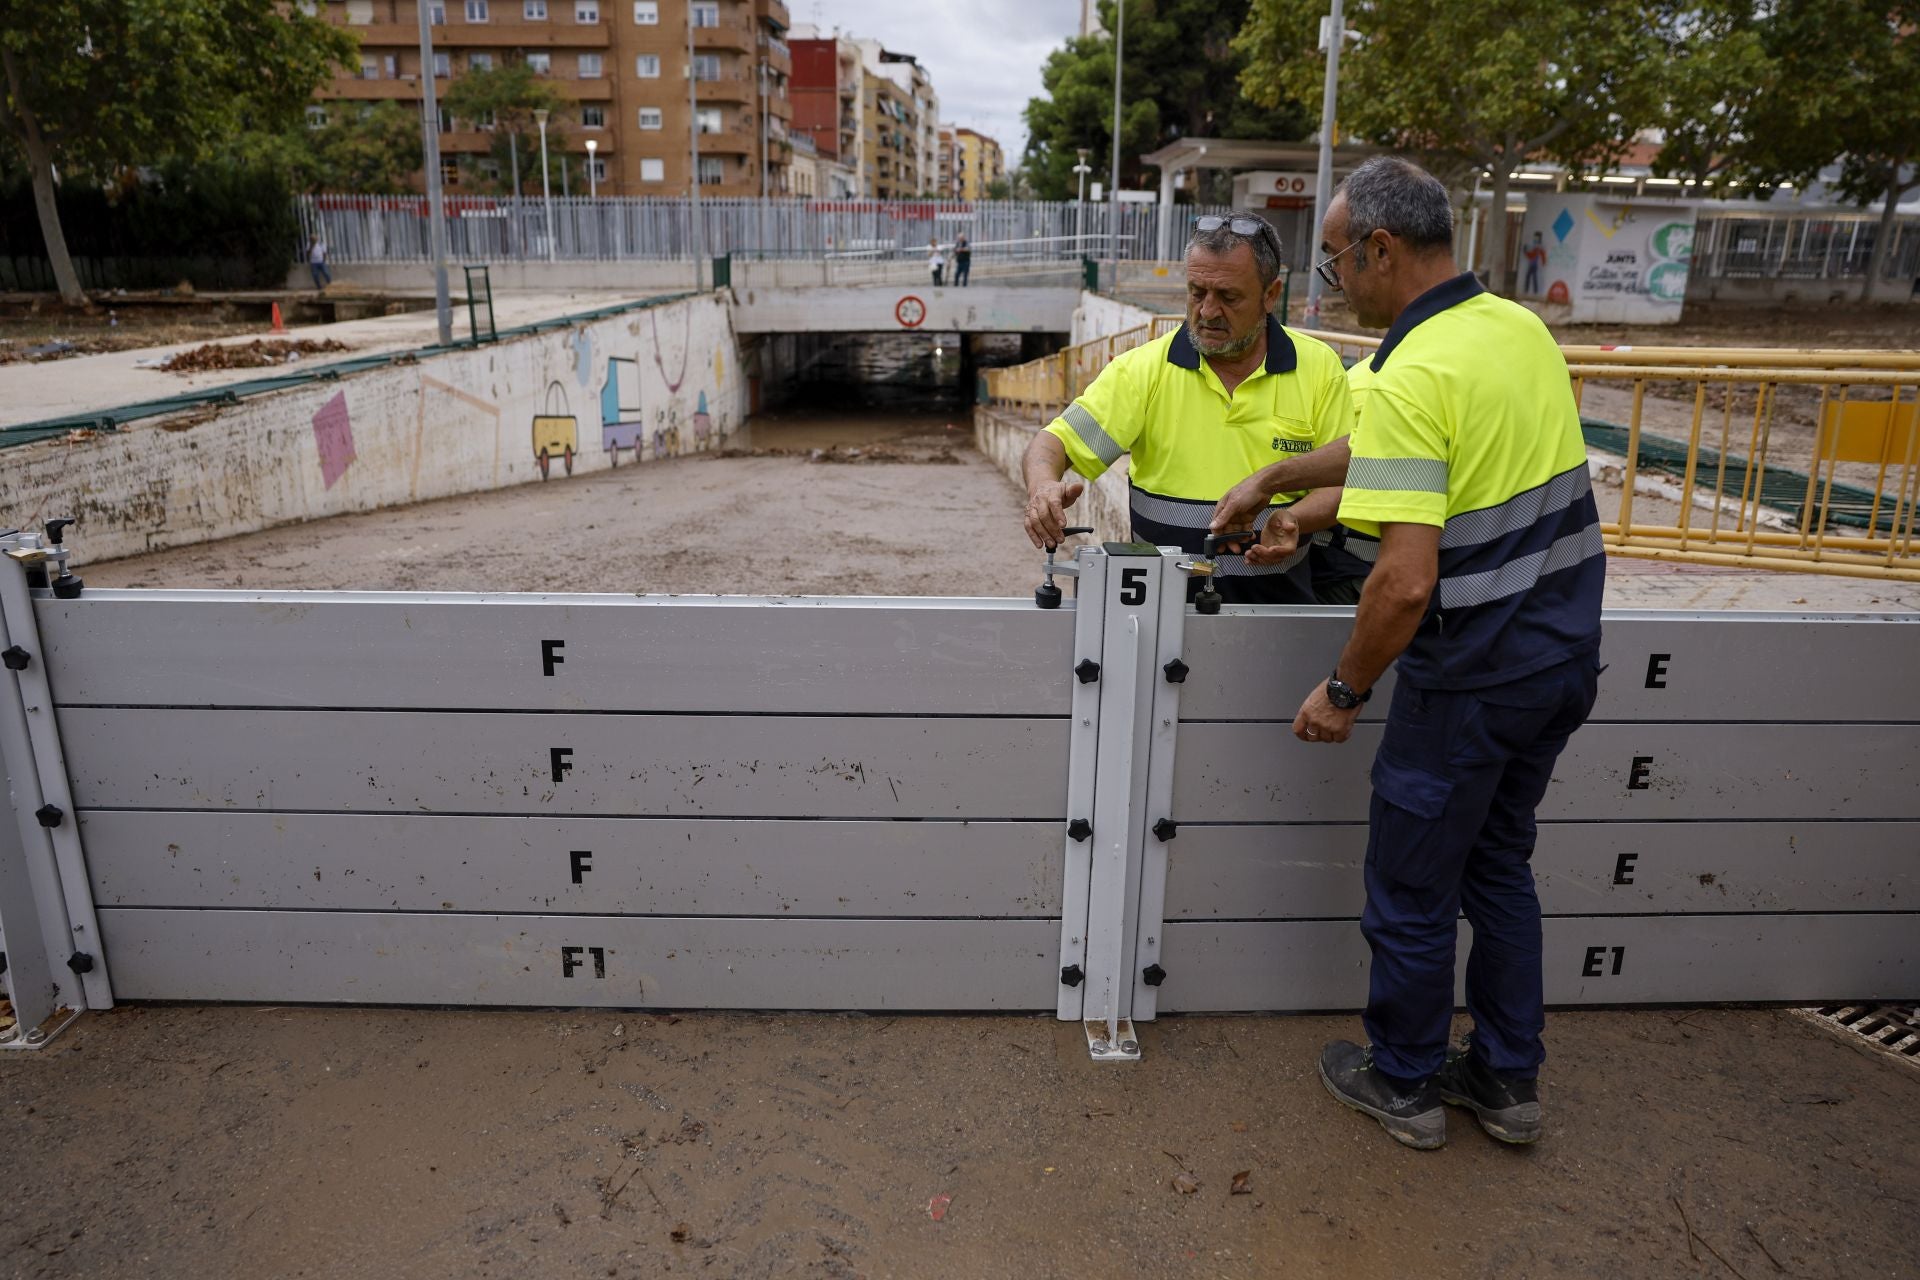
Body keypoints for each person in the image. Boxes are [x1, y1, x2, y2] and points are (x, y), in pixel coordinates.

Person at [1252, 156, 1604, 1150]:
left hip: (1471, 677)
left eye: (1334, 262)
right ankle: (1506, 1078)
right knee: (1498, 865)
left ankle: (1402, 1078)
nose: (1333, 284)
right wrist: (1282, 485)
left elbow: (1404, 583)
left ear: (1381, 249)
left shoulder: (1413, 373)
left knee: (1412, 886)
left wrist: (1343, 688)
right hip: (1562, 658)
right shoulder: (1514, 329)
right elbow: (1395, 448)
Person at [1022, 215, 1351, 605]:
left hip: (1280, 614)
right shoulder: (1143, 371)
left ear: (1271, 294)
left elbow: (1342, 479)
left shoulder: (1318, 368)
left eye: (1228, 297)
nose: (1208, 311)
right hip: (1156, 617)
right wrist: (1043, 486)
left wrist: (1295, 518)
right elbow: (1053, 443)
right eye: (1197, 292)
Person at [1522, 231, 1547, 296]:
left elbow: (1538, 254)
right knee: (1531, 277)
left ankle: (1532, 291)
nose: (1535, 238)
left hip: (1534, 265)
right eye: (1535, 237)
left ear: (1539, 238)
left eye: (1537, 237)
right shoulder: (1534, 244)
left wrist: (1544, 262)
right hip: (1532, 264)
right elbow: (1532, 254)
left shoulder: (1538, 246)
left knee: (1532, 277)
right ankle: (1530, 290)